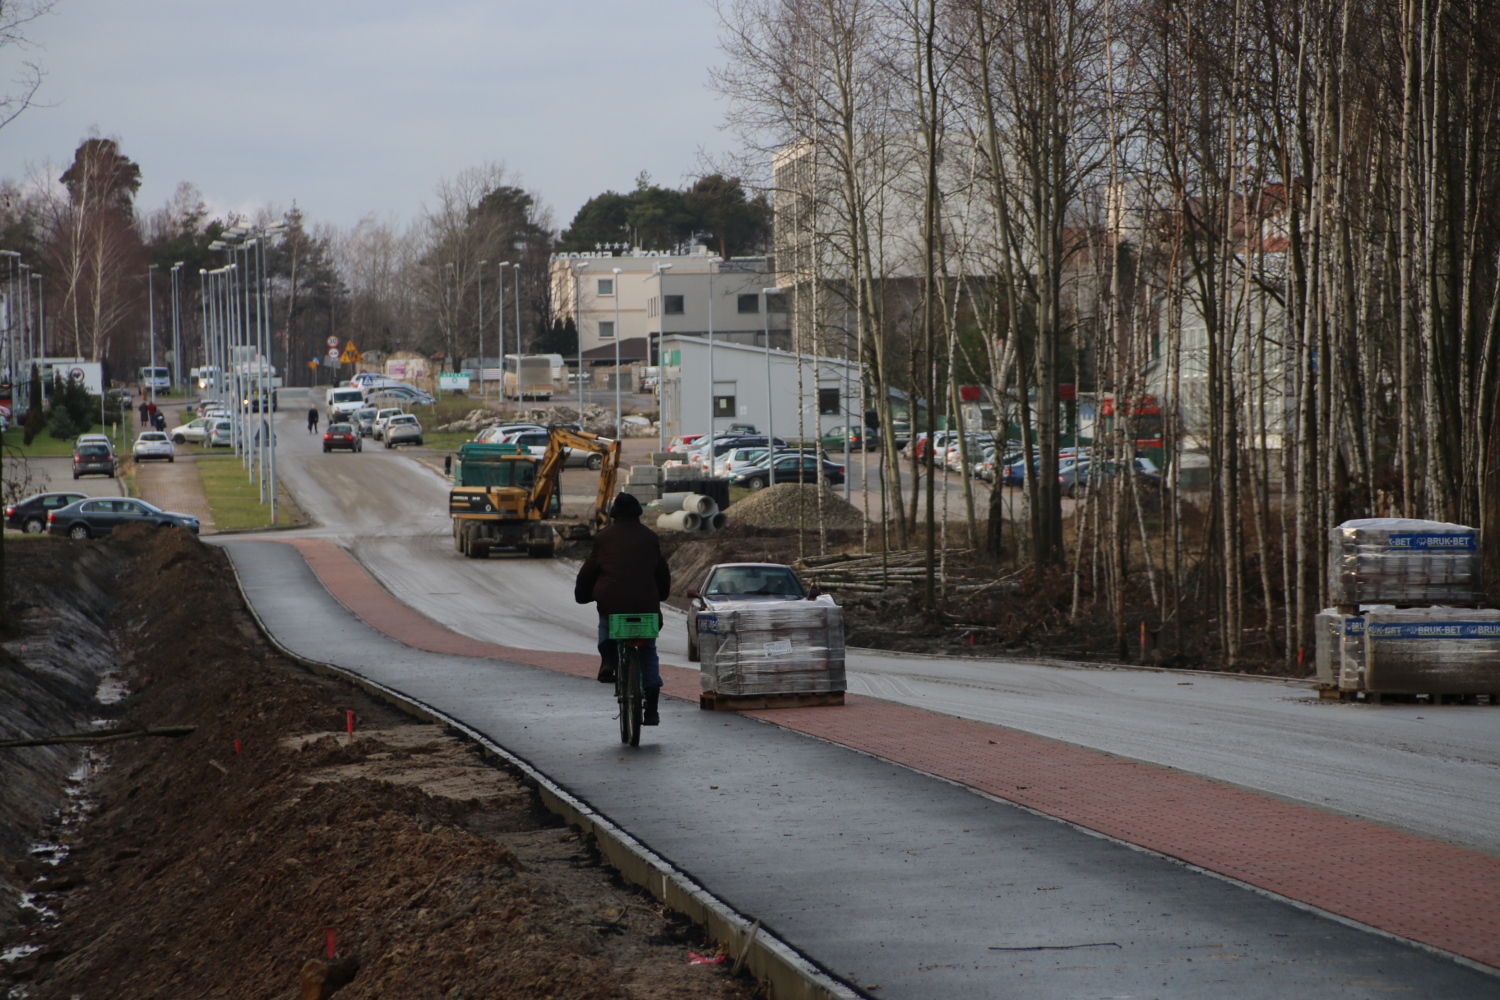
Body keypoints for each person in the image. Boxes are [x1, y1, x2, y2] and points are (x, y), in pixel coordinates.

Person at [574, 492, 671, 725]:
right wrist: (661, 596)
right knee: (647, 650)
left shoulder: (603, 538)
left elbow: (589, 571)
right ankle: (652, 708)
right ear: (638, 513)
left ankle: (607, 661)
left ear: (614, 515)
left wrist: (583, 595)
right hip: (646, 605)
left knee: (606, 620)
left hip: (613, 603)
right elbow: (662, 571)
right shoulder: (650, 537)